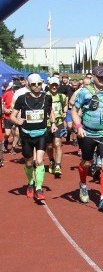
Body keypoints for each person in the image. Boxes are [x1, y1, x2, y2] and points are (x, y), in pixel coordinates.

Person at [72, 66, 103, 211]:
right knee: (87, 163)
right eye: (100, 77)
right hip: (88, 133)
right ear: (93, 77)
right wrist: (78, 127)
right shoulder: (84, 93)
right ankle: (83, 185)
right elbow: (74, 111)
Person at [10, 73, 56, 201]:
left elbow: (50, 110)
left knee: (40, 161)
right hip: (26, 135)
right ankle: (30, 183)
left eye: (39, 84)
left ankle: (39, 188)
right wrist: (17, 121)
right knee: (29, 163)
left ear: (42, 84)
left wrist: (52, 123)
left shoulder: (47, 98)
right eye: (34, 85)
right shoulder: (22, 99)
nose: (37, 87)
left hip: (41, 133)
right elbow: (12, 115)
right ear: (29, 85)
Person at [45, 77, 67, 177]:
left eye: (56, 85)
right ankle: (51, 160)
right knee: (49, 146)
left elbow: (65, 104)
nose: (54, 87)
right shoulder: (44, 96)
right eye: (52, 85)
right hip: (47, 123)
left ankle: (58, 165)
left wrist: (65, 112)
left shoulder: (61, 96)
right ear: (48, 85)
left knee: (58, 143)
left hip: (58, 122)